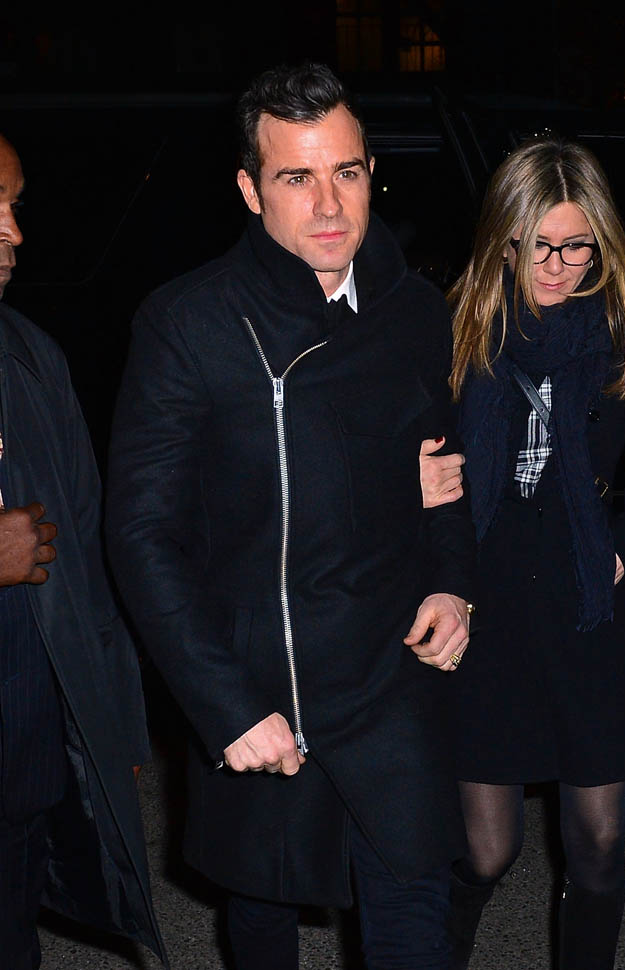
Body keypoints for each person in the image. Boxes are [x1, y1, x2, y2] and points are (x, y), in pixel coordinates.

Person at [105, 63, 475, 970]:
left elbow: (445, 472)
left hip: (391, 679)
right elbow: (142, 534)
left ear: (372, 171)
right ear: (249, 189)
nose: (329, 205)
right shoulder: (190, 323)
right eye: (296, 177)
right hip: (266, 685)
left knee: (416, 917)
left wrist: (452, 585)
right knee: (264, 916)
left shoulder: (415, 309)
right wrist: (226, 705)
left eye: (346, 171)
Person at [420, 135, 625, 969]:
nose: (558, 265)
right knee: (487, 850)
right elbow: (416, 450)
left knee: (600, 842)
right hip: (487, 585)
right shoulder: (459, 323)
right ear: (505, 237)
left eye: (577, 245)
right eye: (539, 244)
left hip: (582, 584)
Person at [0, 134, 165, 968]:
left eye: (14, 205)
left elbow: (92, 559)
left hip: (21, 754)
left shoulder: (31, 357)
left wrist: (115, 723)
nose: (14, 232)